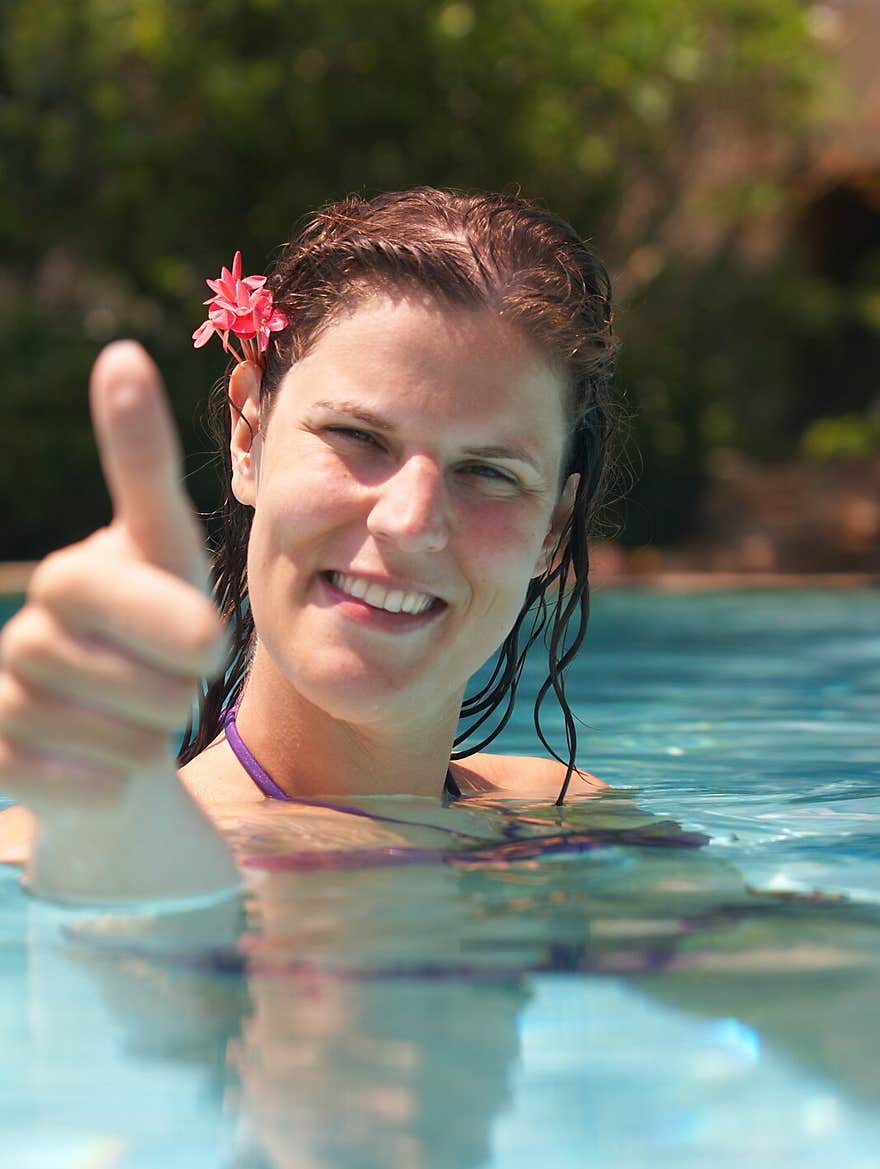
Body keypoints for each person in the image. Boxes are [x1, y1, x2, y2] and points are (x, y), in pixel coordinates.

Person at [0, 187, 616, 905]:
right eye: (357, 437)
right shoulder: (56, 856)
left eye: (487, 472)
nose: (410, 522)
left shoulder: (564, 828)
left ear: (551, 529)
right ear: (248, 436)